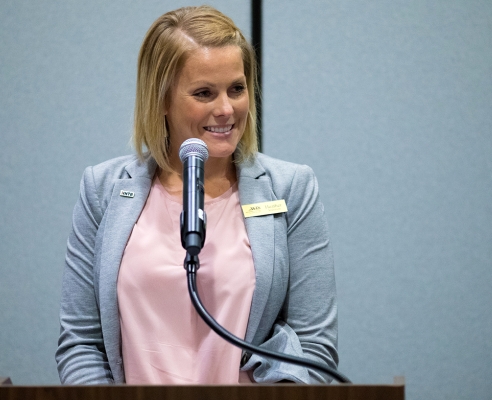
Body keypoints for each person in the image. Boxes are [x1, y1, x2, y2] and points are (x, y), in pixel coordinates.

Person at [55, 5, 338, 385]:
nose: (226, 109)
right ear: (162, 100)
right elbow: (81, 344)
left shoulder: (292, 188)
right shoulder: (103, 189)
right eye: (204, 93)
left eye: (236, 89)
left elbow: (314, 347)